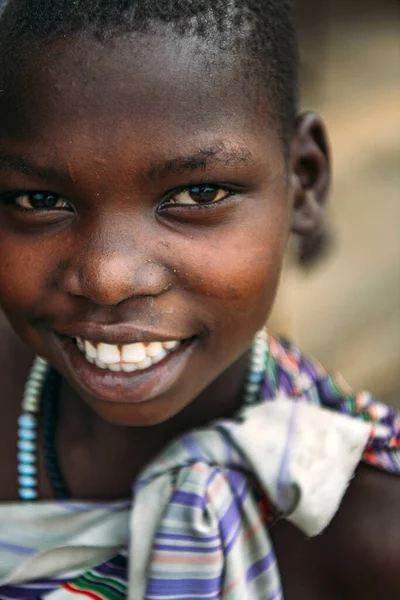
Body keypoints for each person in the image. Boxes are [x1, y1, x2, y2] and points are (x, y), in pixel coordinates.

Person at [0, 1, 398, 598]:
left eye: (200, 192)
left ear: (305, 180)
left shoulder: (369, 533)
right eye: (38, 201)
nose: (109, 280)